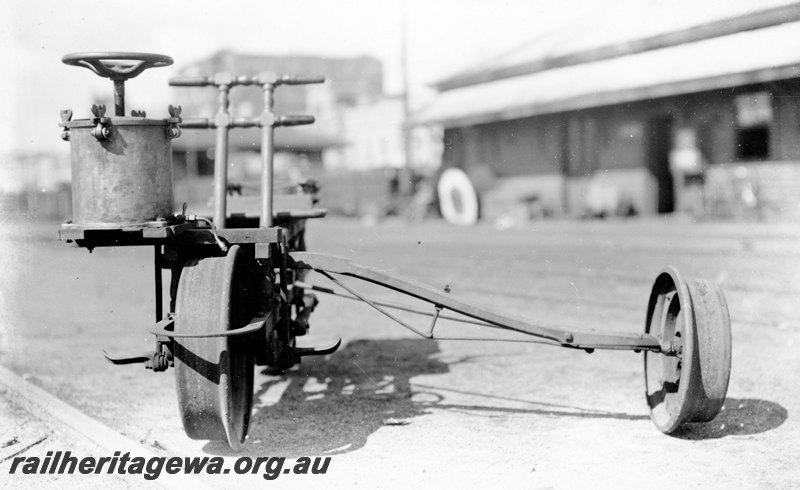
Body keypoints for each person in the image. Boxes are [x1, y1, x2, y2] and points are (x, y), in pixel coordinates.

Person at [669, 128, 706, 218]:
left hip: (694, 178)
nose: (686, 141)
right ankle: (682, 211)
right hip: (681, 179)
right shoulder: (676, 153)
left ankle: (697, 211)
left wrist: (696, 169)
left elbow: (701, 165)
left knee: (696, 193)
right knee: (682, 195)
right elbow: (673, 168)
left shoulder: (695, 152)